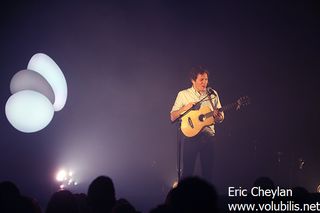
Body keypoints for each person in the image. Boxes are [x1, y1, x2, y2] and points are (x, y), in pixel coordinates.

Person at [170, 65, 224, 182]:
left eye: (206, 79)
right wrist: (185, 107)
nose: (204, 82)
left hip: (208, 137)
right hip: (191, 137)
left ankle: (206, 198)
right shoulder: (183, 94)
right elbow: (172, 116)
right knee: (187, 172)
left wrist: (219, 116)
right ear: (193, 80)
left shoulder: (212, 94)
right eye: (201, 80)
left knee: (208, 173)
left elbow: (221, 116)